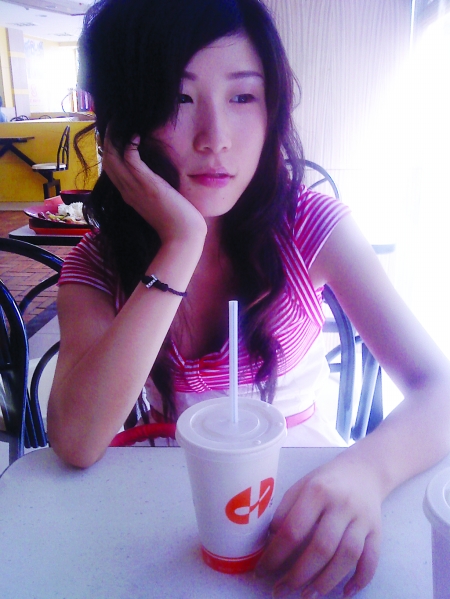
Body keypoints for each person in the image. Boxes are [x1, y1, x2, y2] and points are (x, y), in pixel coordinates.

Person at [47, 0, 450, 596]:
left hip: (304, 505)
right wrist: (180, 244)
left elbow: (440, 389)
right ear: (122, 122)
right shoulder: (98, 264)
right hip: (165, 515)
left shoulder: (310, 227)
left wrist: (368, 471)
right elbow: (76, 440)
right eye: (178, 98)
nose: (215, 139)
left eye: (242, 96)